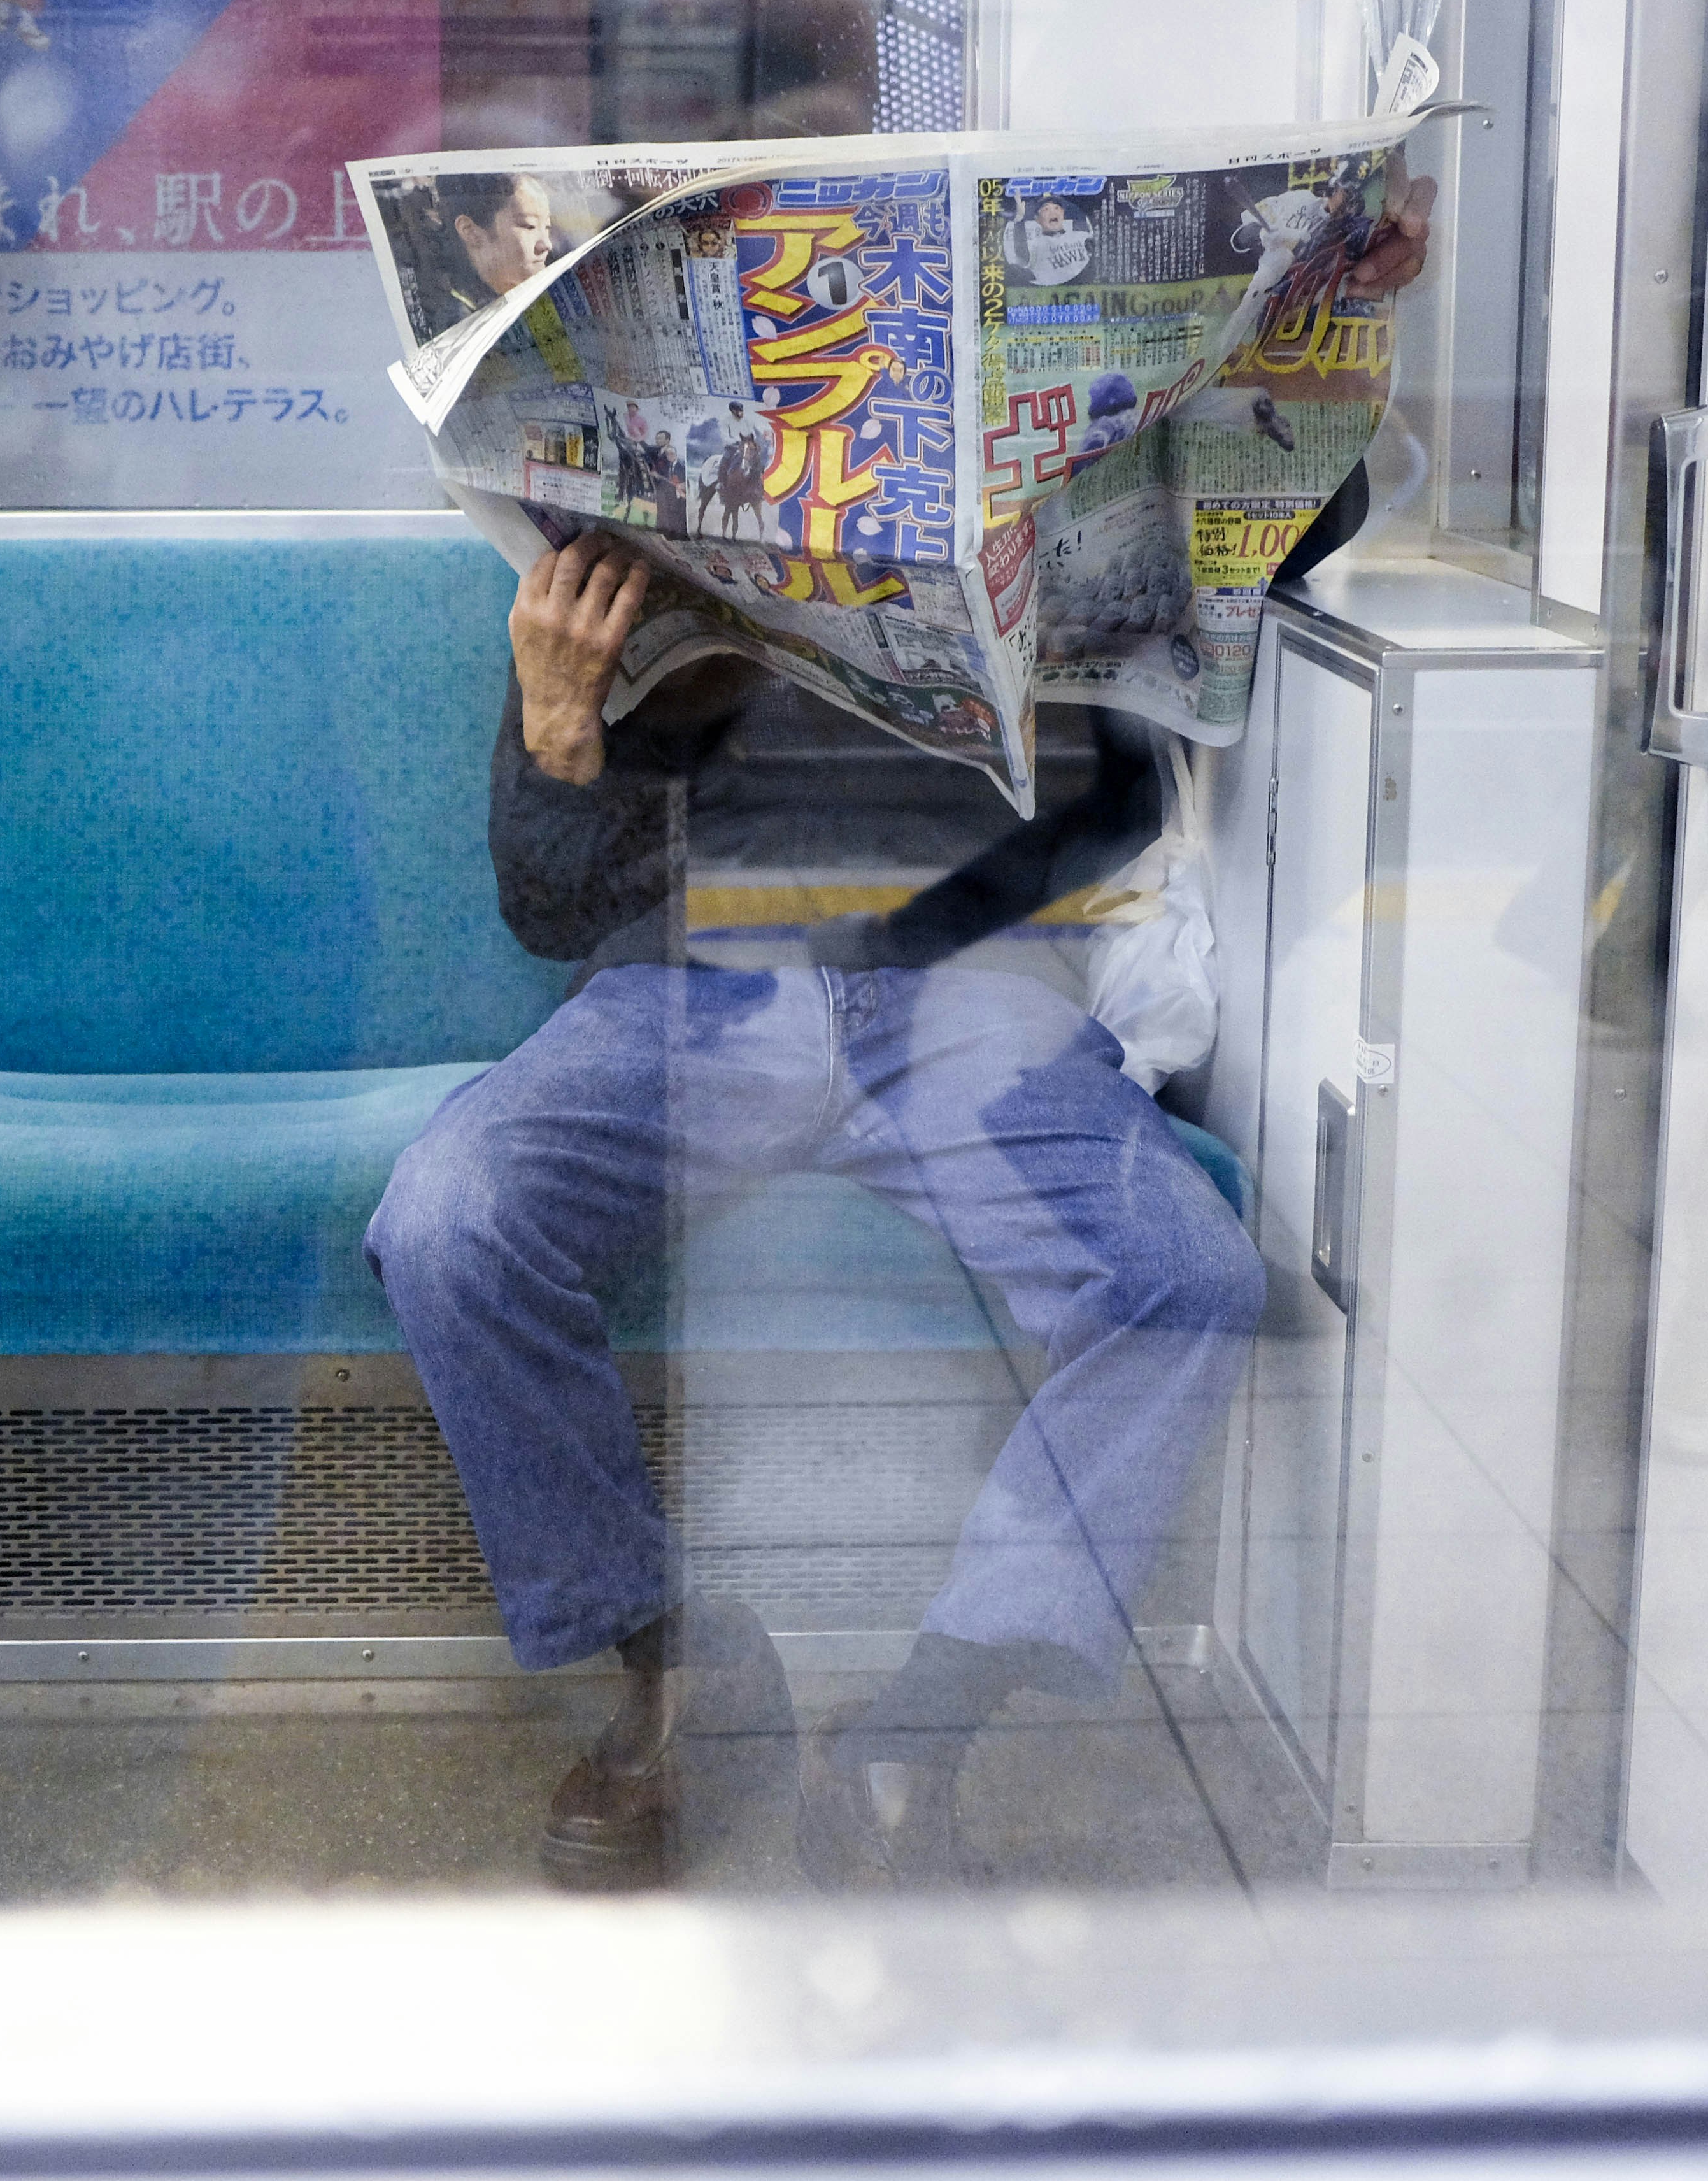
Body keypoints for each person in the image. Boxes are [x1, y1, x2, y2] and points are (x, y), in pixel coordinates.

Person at [365, 185, 1434, 1896]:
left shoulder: (1053, 479)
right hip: (698, 991)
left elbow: (1306, 511)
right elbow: (548, 903)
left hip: (973, 990)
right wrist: (563, 712)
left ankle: (919, 1725)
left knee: (1184, 1272)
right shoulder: (608, 537)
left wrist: (1332, 318)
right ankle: (668, 1666)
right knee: (445, 1217)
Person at [433, 172, 559, 321]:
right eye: (529, 226)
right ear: (471, 232)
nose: (547, 245)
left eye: (547, 227)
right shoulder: (456, 321)